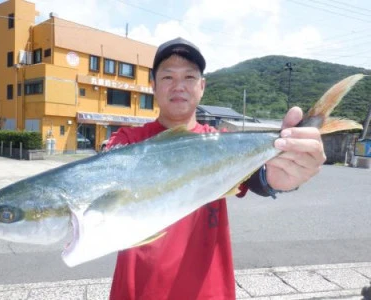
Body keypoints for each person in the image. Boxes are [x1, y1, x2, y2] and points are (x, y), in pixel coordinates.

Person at [107, 37, 326, 300]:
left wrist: (284, 176)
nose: (178, 86)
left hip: (209, 293)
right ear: (152, 85)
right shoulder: (127, 141)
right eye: (167, 77)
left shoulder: (221, 141)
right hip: (136, 292)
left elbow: (259, 178)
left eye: (189, 77)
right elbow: (103, 172)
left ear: (202, 86)